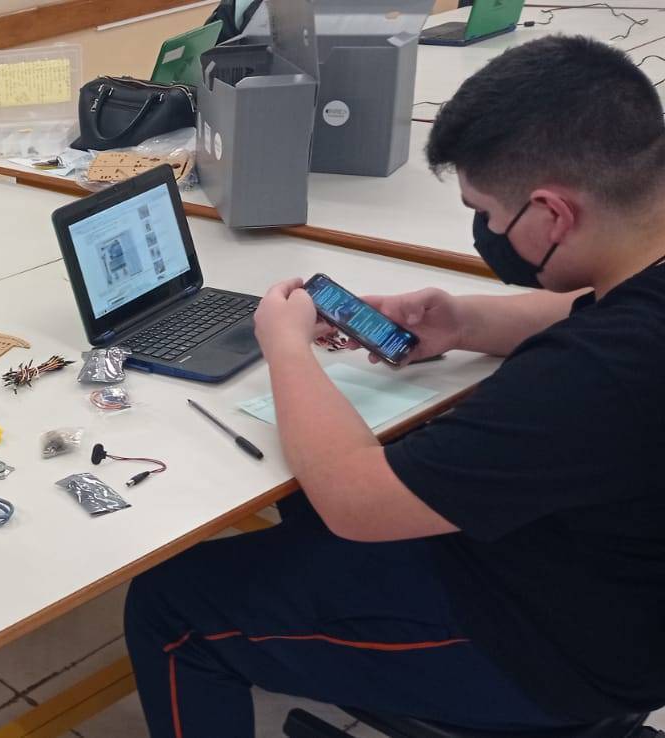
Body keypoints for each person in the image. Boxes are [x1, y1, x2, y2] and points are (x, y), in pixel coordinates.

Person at [124, 36, 665, 736]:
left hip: (560, 650)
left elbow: (358, 502)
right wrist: (463, 321)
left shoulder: (599, 371)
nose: (486, 231)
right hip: (613, 582)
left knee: (171, 605)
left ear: (553, 215)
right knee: (306, 499)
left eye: (488, 213)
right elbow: (583, 309)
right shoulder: (640, 276)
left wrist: (285, 345)